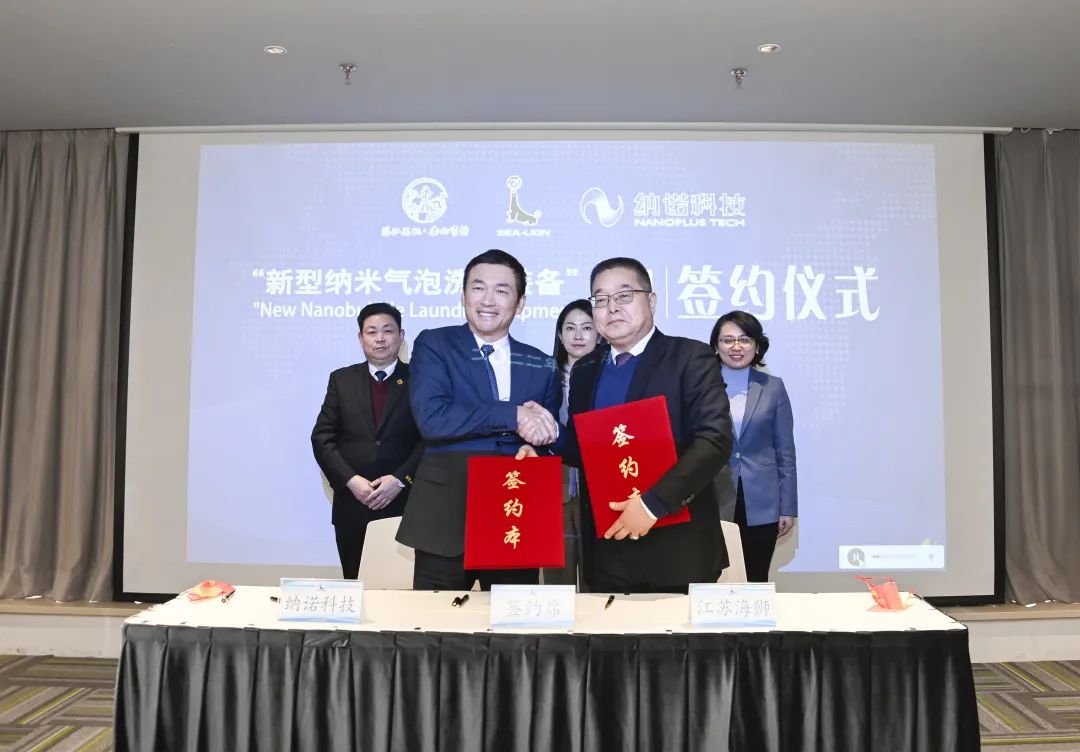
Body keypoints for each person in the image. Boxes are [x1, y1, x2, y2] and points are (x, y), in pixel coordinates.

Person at [525, 257, 733, 593]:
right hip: (607, 553)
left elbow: (714, 440)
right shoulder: (585, 370)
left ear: (651, 301)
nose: (612, 308)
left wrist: (652, 505)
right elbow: (583, 448)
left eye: (624, 296)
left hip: (676, 549)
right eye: (601, 299)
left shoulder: (689, 357)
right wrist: (548, 438)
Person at [396, 249, 562, 590]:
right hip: (445, 520)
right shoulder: (435, 344)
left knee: (513, 622)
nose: (488, 300)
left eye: (502, 290)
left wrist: (538, 450)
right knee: (436, 621)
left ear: (520, 303)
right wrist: (512, 414)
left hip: (515, 518)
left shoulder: (542, 363)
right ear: (463, 295)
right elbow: (432, 419)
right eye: (478, 288)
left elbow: (546, 437)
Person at [311, 302, 424, 579]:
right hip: (353, 505)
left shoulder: (420, 379)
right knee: (356, 587)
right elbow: (322, 437)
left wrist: (400, 479)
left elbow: (430, 438)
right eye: (372, 332)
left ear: (401, 335)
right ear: (361, 338)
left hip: (405, 503)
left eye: (388, 330)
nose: (380, 338)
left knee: (403, 589)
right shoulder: (341, 379)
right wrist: (351, 480)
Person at [710, 310, 797, 582]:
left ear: (757, 346)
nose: (736, 347)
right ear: (716, 346)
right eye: (728, 340)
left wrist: (788, 507)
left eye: (745, 340)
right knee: (714, 580)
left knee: (756, 578)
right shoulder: (702, 387)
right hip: (713, 498)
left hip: (762, 502)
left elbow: (785, 452)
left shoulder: (773, 387)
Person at [542, 299, 600, 587]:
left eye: (587, 328)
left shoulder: (608, 377)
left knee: (596, 576)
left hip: (599, 491)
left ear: (599, 334)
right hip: (554, 489)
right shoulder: (543, 376)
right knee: (557, 579)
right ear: (560, 334)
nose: (578, 336)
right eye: (570, 328)